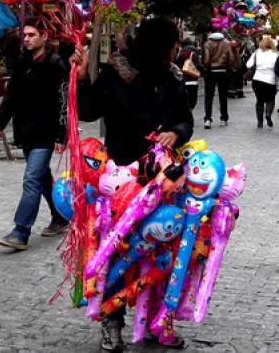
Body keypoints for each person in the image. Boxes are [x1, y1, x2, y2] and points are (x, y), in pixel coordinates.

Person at [73, 17, 194, 352]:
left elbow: (186, 119)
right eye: (172, 44)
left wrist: (177, 132)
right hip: (122, 182)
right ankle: (112, 324)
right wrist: (82, 77)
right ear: (159, 45)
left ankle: (155, 321)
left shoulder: (172, 77)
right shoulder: (116, 74)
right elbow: (86, 111)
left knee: (160, 254)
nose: (176, 50)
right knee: (118, 253)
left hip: (164, 182)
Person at [0, 21, 70, 251]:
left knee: (32, 179)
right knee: (42, 177)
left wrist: (61, 134)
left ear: (44, 36)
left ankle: (20, 231)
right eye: (24, 35)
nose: (26, 39)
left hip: (45, 134)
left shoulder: (56, 65)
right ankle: (60, 217)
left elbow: (63, 102)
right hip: (25, 131)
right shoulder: (21, 63)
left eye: (31, 35)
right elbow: (11, 96)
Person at [201, 32, 235, 129]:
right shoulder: (227, 43)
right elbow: (231, 59)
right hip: (223, 72)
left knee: (209, 96)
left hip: (211, 72)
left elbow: (206, 60)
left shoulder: (207, 44)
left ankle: (208, 119)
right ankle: (223, 118)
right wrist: (228, 70)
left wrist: (206, 69)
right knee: (223, 96)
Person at [245, 35, 279, 128]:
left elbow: (248, 65)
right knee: (270, 100)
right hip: (270, 81)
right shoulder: (275, 54)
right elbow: (278, 68)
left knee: (259, 101)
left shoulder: (256, 53)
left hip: (257, 80)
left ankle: (260, 123)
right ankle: (268, 113)